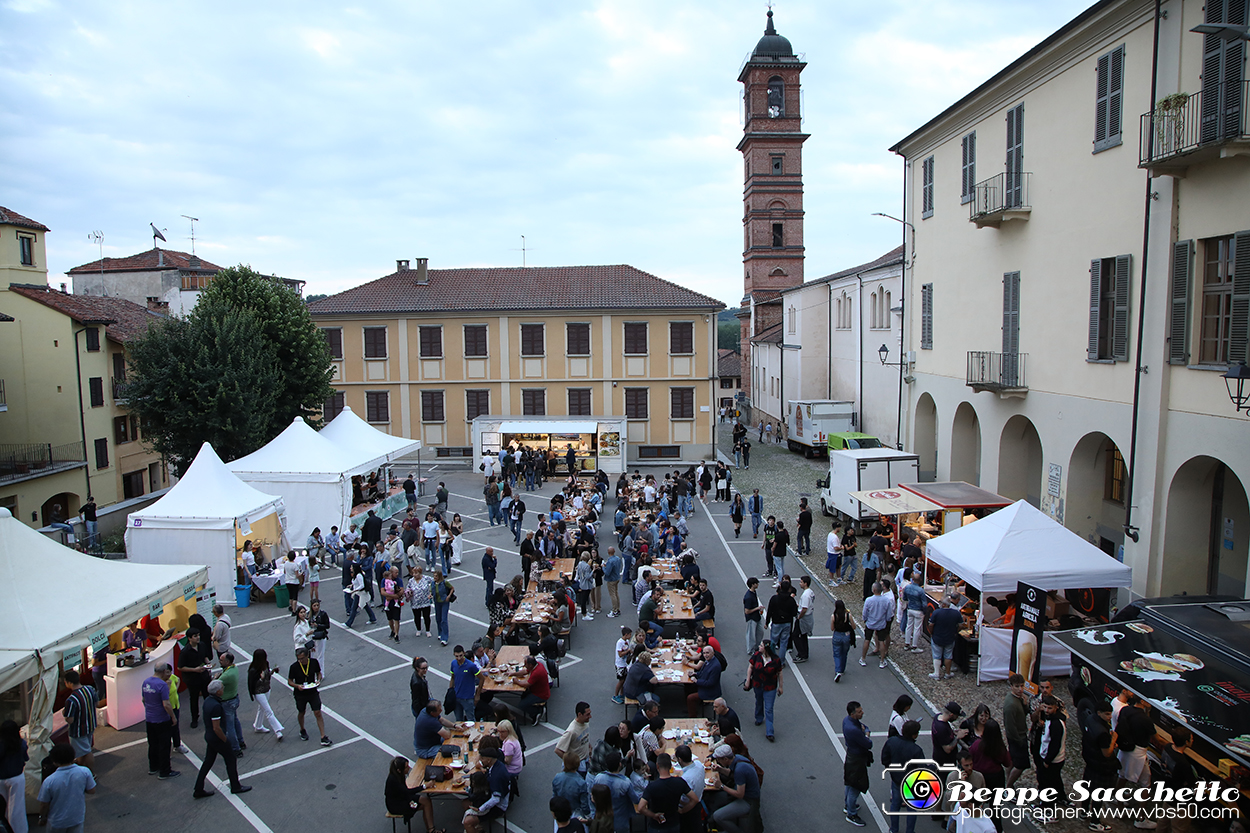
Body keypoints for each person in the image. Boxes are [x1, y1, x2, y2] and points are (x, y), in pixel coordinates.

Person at [193, 680, 252, 798]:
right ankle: (235, 786)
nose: (223, 689)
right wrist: (225, 740)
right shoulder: (216, 706)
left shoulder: (208, 701)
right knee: (231, 759)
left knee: (208, 762)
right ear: (218, 691)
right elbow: (217, 728)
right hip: (217, 739)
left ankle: (198, 788)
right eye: (222, 688)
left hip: (210, 737)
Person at [36, 744, 94, 831]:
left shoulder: (49, 781)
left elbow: (44, 804)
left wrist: (42, 817)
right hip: (77, 818)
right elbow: (91, 790)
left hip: (56, 822)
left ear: (54, 761)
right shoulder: (84, 772)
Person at [1081, 699, 1119, 831]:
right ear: (1099, 713)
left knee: (1087, 788)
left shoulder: (1090, 719)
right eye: (1107, 714)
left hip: (1090, 760)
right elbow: (1107, 753)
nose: (1110, 717)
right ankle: (1095, 821)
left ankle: (1083, 812)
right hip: (1100, 765)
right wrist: (1113, 741)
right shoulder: (1102, 732)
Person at [636, 752, 698, 833]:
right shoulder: (679, 782)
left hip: (657, 827)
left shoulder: (652, 786)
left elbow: (640, 808)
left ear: (657, 766)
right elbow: (695, 799)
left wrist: (653, 815)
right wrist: (683, 810)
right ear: (670, 766)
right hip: (674, 824)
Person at [461, 738, 511, 833]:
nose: (480, 761)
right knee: (465, 803)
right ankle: (478, 826)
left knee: (467, 822)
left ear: (488, 760)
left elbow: (496, 799)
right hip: (491, 797)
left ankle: (474, 827)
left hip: (498, 806)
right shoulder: (496, 765)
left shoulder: (497, 775)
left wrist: (480, 809)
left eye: (482, 759)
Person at [883, 719, 924, 833]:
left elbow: (884, 759)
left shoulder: (892, 741)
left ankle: (893, 829)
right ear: (914, 734)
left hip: (896, 779)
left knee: (895, 805)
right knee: (912, 809)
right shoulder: (916, 750)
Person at [141, 662, 179, 779]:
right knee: (164, 745)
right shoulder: (162, 685)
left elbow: (143, 700)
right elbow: (166, 704)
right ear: (163, 672)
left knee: (152, 744)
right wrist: (173, 717)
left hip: (150, 719)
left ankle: (153, 767)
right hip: (162, 719)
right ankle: (165, 771)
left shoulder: (146, 682)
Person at [287, 646, 331, 746]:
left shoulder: (314, 662)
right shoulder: (294, 667)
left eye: (302, 658)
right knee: (301, 712)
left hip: (312, 691)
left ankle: (323, 736)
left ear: (307, 656)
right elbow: (290, 681)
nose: (300, 661)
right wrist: (297, 686)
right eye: (298, 659)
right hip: (300, 693)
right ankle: (302, 729)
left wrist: (318, 680)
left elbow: (318, 673)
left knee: (317, 712)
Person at [842, 701, 872, 827]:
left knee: (850, 782)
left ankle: (848, 805)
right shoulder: (854, 729)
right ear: (853, 714)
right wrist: (866, 734)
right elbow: (868, 744)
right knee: (856, 785)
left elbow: (864, 727)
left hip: (852, 756)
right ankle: (851, 813)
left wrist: (865, 732)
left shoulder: (847, 721)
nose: (862, 712)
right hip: (857, 759)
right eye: (859, 711)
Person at [747, 640, 783, 742]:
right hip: (757, 684)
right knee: (758, 701)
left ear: (766, 648)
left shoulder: (776, 660)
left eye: (761, 645)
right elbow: (750, 667)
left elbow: (780, 673)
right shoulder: (757, 655)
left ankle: (770, 732)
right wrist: (748, 680)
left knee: (769, 708)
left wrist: (780, 687)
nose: (759, 646)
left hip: (770, 687)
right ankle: (759, 717)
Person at [61, 669, 98, 769]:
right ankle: (81, 767)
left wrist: (64, 713)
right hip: (91, 724)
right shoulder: (90, 689)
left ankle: (92, 773)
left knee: (86, 751)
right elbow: (96, 703)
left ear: (69, 683)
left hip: (78, 731)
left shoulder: (71, 700)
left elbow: (70, 720)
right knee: (84, 750)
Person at [1033, 695, 1067, 800]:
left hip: (1053, 760)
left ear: (1055, 708)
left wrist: (1047, 760)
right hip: (1050, 757)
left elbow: (1055, 744)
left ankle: (1048, 807)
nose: (1047, 710)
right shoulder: (1049, 719)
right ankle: (1061, 797)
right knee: (1055, 780)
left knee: (1047, 783)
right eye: (1045, 707)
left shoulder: (1055, 723)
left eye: (1050, 708)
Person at [245, 648, 284, 741]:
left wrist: (273, 671)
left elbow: (267, 675)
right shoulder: (253, 670)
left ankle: (258, 726)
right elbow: (252, 684)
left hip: (267, 689)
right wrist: (261, 679)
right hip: (259, 692)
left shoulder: (265, 664)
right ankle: (278, 730)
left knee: (262, 709)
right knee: (268, 711)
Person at [177, 629, 211, 730]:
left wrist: (207, 663)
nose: (198, 637)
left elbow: (204, 656)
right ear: (189, 638)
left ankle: (209, 714)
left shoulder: (202, 645)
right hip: (192, 679)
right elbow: (180, 667)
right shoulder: (185, 652)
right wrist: (194, 670)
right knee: (194, 698)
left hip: (204, 675)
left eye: (198, 635)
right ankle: (194, 718)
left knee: (207, 696)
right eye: (195, 636)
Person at [1, 720, 29, 833]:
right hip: (17, 778)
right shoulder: (21, 743)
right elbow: (26, 758)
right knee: (17, 808)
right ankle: (19, 830)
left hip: (1, 777)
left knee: (2, 807)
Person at [216, 652, 245, 756]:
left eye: (221, 660)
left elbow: (214, 685)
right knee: (235, 721)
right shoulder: (234, 669)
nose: (219, 661)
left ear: (227, 662)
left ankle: (235, 749)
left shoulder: (226, 676)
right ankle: (241, 741)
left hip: (227, 702)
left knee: (229, 727)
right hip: (234, 699)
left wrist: (215, 677)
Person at [860, 581, 894, 669]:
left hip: (870, 623)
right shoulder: (886, 600)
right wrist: (886, 620)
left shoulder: (869, 600)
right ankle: (882, 661)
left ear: (874, 590)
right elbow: (889, 614)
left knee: (867, 640)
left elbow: (865, 613)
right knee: (881, 641)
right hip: (881, 624)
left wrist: (865, 619)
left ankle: (863, 658)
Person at [928, 595, 964, 680]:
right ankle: (948, 673)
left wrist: (931, 632)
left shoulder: (936, 612)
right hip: (950, 637)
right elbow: (961, 625)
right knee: (948, 655)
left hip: (937, 636)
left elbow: (931, 624)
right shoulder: (956, 613)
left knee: (937, 655)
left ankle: (936, 673)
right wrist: (956, 631)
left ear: (944, 604)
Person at [385, 756, 425, 826]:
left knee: (425, 800)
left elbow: (405, 792)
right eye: (406, 767)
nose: (409, 767)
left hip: (402, 798)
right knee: (424, 804)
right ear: (399, 770)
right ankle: (431, 829)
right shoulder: (393, 780)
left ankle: (431, 829)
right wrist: (424, 787)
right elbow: (407, 792)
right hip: (396, 805)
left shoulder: (399, 775)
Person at [764, 580, 797, 664]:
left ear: (780, 587)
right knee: (784, 643)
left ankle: (773, 658)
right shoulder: (791, 600)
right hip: (787, 622)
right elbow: (794, 613)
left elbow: (769, 611)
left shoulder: (774, 598)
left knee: (773, 642)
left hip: (776, 622)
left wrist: (767, 622)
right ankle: (781, 662)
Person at [512, 654, 551, 724]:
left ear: (530, 665)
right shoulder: (536, 665)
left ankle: (536, 713)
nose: (524, 665)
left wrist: (516, 681)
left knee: (522, 705)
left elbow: (526, 685)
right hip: (538, 691)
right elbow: (525, 671)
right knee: (523, 696)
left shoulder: (537, 672)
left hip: (540, 695)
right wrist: (512, 673)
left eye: (525, 664)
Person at [685, 645, 723, 717]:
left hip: (710, 691)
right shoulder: (709, 661)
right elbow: (703, 672)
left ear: (713, 653)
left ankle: (693, 717)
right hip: (705, 685)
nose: (705, 655)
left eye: (707, 653)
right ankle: (691, 708)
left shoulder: (715, 666)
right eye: (704, 653)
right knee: (688, 687)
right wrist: (695, 673)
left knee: (690, 698)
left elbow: (710, 683)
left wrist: (696, 681)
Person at [552, 755, 592, 821]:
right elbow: (584, 803)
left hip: (560, 810)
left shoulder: (557, 777)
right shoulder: (581, 782)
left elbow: (554, 796)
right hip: (575, 813)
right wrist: (588, 816)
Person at [449, 646, 481, 722]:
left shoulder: (471, 665)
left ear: (464, 653)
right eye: (456, 656)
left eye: (460, 655)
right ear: (454, 655)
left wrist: (477, 695)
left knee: (471, 720)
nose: (459, 658)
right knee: (459, 720)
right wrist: (450, 691)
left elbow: (481, 678)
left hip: (468, 698)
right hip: (457, 697)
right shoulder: (453, 664)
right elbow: (453, 677)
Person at [932, 701, 967, 767]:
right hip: (945, 763)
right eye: (957, 716)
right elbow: (947, 749)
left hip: (939, 758)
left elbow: (943, 735)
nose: (957, 718)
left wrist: (953, 732)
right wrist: (958, 737)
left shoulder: (937, 717)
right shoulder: (941, 728)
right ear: (951, 715)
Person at [830, 599, 856, 683]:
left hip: (837, 635)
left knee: (837, 654)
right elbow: (854, 626)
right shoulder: (848, 615)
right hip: (846, 635)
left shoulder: (834, 616)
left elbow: (832, 628)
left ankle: (838, 670)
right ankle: (842, 669)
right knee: (844, 653)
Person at [345, 563, 378, 628]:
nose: (350, 568)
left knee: (354, 608)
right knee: (365, 605)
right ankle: (372, 618)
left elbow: (362, 585)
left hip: (359, 594)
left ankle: (349, 623)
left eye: (351, 567)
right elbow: (356, 583)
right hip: (358, 593)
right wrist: (351, 585)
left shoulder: (359, 575)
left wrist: (354, 590)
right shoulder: (356, 575)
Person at [902, 569, 927, 652]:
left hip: (910, 608)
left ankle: (907, 643)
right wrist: (924, 611)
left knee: (908, 626)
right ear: (919, 580)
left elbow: (904, 598)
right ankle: (914, 646)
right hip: (918, 610)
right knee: (917, 628)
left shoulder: (907, 587)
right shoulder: (920, 590)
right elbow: (924, 603)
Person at [792, 575, 815, 663]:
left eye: (801, 582)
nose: (800, 583)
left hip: (804, 617)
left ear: (805, 583)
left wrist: (799, 616)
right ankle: (805, 653)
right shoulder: (810, 592)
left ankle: (802, 654)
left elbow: (804, 609)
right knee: (803, 635)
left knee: (796, 635)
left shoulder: (805, 595)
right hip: (808, 615)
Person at [432, 569, 454, 647]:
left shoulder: (444, 583)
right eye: (434, 576)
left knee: (444, 619)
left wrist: (448, 596)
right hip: (437, 602)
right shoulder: (433, 583)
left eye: (436, 576)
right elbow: (432, 591)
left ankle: (445, 638)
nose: (434, 577)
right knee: (438, 618)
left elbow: (452, 588)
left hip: (444, 601)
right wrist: (430, 595)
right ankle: (440, 633)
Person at [742, 577, 764, 658]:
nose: (757, 584)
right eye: (756, 583)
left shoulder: (753, 592)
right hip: (751, 618)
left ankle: (757, 647)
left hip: (756, 616)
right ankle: (750, 650)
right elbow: (747, 611)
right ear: (752, 585)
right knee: (751, 634)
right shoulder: (748, 597)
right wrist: (757, 608)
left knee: (760, 632)